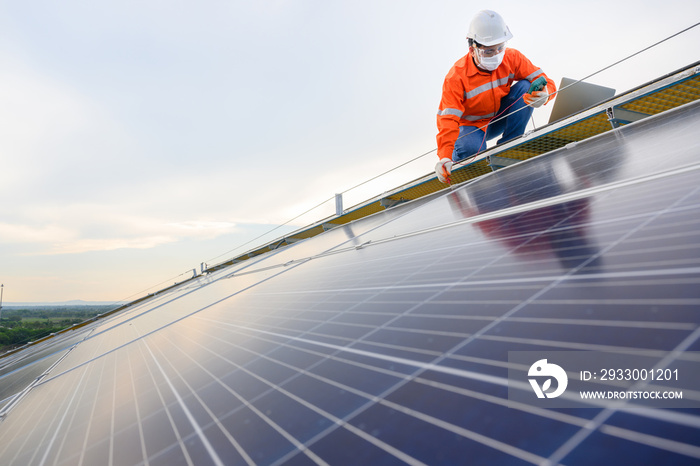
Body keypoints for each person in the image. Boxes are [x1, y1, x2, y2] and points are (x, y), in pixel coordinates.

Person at [435, 10, 556, 184]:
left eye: (500, 47)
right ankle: (460, 157)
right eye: (489, 51)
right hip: (471, 128)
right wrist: (445, 156)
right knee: (470, 151)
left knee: (525, 86)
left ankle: (509, 146)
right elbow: (448, 119)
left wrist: (545, 94)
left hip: (498, 117)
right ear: (472, 49)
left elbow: (544, 80)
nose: (497, 54)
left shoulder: (512, 57)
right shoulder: (456, 77)